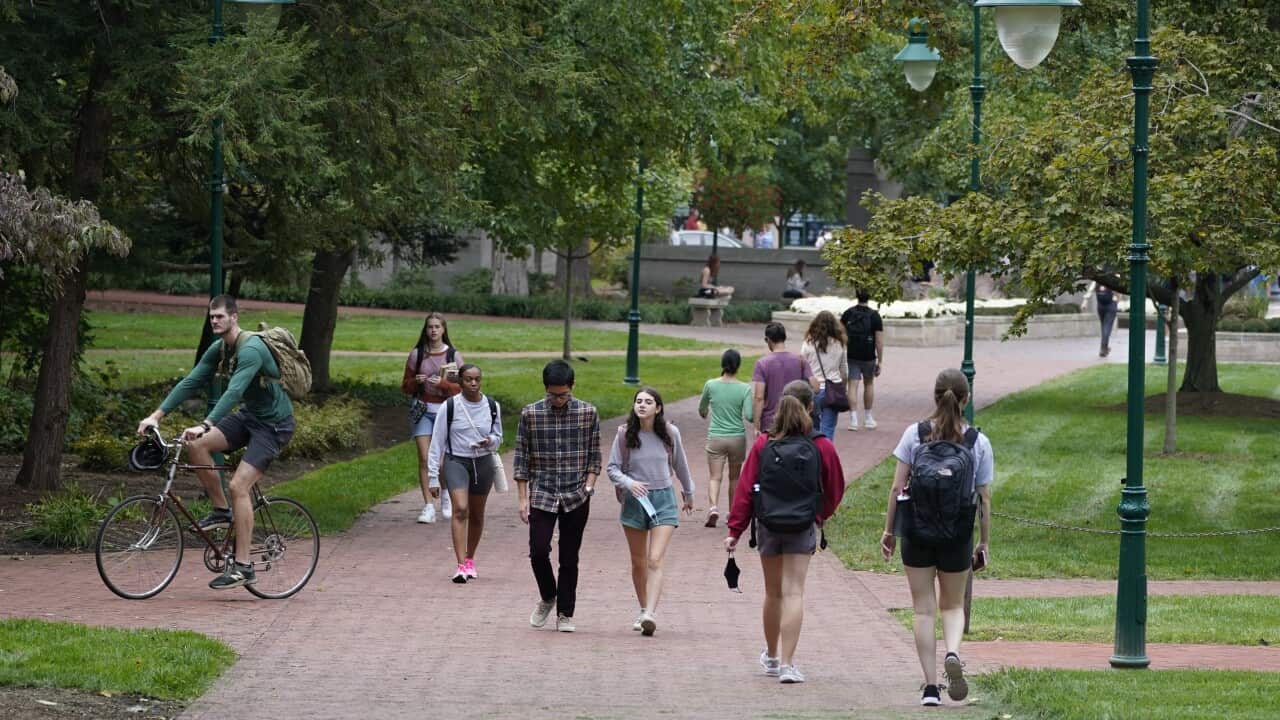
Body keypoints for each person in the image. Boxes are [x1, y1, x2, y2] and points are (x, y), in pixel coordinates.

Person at [136, 295, 295, 590]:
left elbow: (233, 392)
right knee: (197, 446)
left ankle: (244, 566)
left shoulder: (251, 349)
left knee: (238, 486)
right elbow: (191, 381)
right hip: (250, 417)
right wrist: (155, 416)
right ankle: (222, 511)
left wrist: (205, 423)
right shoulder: (220, 348)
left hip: (274, 426)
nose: (215, 321)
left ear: (234, 317)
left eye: (220, 317)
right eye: (211, 317)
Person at [879, 368, 993, 707]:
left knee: (923, 610)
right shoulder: (977, 442)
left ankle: (931, 687)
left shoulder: (914, 435)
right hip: (957, 533)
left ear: (934, 397)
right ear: (966, 399)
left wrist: (889, 531)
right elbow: (984, 498)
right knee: (953, 605)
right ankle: (954, 652)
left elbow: (897, 488)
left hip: (917, 530)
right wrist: (983, 542)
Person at [724, 380, 846, 684]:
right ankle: (789, 666)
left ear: (779, 406)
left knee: (773, 593)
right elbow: (835, 488)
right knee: (794, 592)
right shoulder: (821, 445)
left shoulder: (764, 443)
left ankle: (772, 656)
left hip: (768, 523)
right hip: (802, 524)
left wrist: (735, 530)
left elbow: (744, 490)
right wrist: (819, 514)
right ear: (810, 407)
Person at [515, 360, 602, 633]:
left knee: (569, 557)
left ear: (572, 387)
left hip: (576, 493)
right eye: (553, 395)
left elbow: (594, 456)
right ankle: (548, 595)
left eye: (563, 394)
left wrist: (588, 486)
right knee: (538, 551)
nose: (558, 400)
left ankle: (565, 612)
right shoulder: (530, 414)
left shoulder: (588, 413)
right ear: (545, 390)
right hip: (542, 491)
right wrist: (522, 498)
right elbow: (521, 458)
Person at [606, 388, 695, 636]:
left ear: (658, 408)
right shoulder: (624, 434)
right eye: (638, 401)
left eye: (648, 402)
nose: (642, 405)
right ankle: (643, 607)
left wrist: (689, 493)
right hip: (635, 501)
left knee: (655, 558)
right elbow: (612, 468)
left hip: (663, 499)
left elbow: (680, 464)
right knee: (638, 561)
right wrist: (629, 483)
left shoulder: (669, 433)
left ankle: (650, 614)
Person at [427, 364, 503, 584]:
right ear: (460, 381)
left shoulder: (491, 406)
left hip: (483, 463)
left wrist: (490, 441)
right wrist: (433, 476)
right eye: (468, 379)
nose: (473, 383)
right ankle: (460, 565)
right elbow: (437, 442)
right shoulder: (450, 407)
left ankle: (470, 559)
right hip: (456, 461)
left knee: (477, 514)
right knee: (460, 509)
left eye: (477, 379)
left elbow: (498, 435)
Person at [402, 312, 463, 524]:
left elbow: (460, 389)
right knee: (425, 457)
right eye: (430, 327)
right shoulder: (417, 355)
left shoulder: (452, 356)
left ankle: (445, 496)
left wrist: (443, 385)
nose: (434, 330)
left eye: (437, 327)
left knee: (443, 460)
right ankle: (428, 506)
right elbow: (405, 386)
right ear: (425, 330)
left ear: (444, 330)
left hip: (445, 411)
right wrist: (416, 382)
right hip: (422, 411)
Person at [698, 349, 754, 528]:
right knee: (734, 478)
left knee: (715, 476)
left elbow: (702, 408)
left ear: (722, 364)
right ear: (738, 366)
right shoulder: (745, 388)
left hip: (716, 436)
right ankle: (732, 513)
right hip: (737, 437)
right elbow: (750, 415)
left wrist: (705, 413)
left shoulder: (711, 385)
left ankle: (713, 507)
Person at [752, 322, 816, 435]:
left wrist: (756, 425)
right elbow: (815, 387)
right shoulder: (800, 360)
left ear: (768, 340)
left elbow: (759, 397)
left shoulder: (762, 363)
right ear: (784, 338)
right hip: (797, 419)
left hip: (770, 421)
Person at [800, 311, 849, 439]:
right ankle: (826, 454)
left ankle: (814, 455)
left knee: (812, 428)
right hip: (833, 388)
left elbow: (802, 366)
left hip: (813, 388)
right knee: (828, 428)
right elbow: (844, 370)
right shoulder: (839, 344)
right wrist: (843, 386)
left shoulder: (808, 344)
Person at [840, 290, 884, 430]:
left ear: (857, 296)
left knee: (852, 385)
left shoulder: (848, 313)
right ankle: (868, 418)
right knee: (869, 384)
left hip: (852, 354)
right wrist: (880, 361)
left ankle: (853, 420)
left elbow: (840, 334)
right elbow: (879, 342)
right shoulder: (875, 316)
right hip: (868, 356)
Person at [1088, 281, 1119, 357]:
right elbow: (1118, 290)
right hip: (1111, 306)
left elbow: (1090, 290)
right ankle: (1103, 348)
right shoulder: (1112, 277)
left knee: (1104, 327)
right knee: (1107, 328)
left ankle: (1104, 347)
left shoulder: (1097, 279)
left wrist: (1085, 301)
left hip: (1100, 307)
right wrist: (1117, 300)